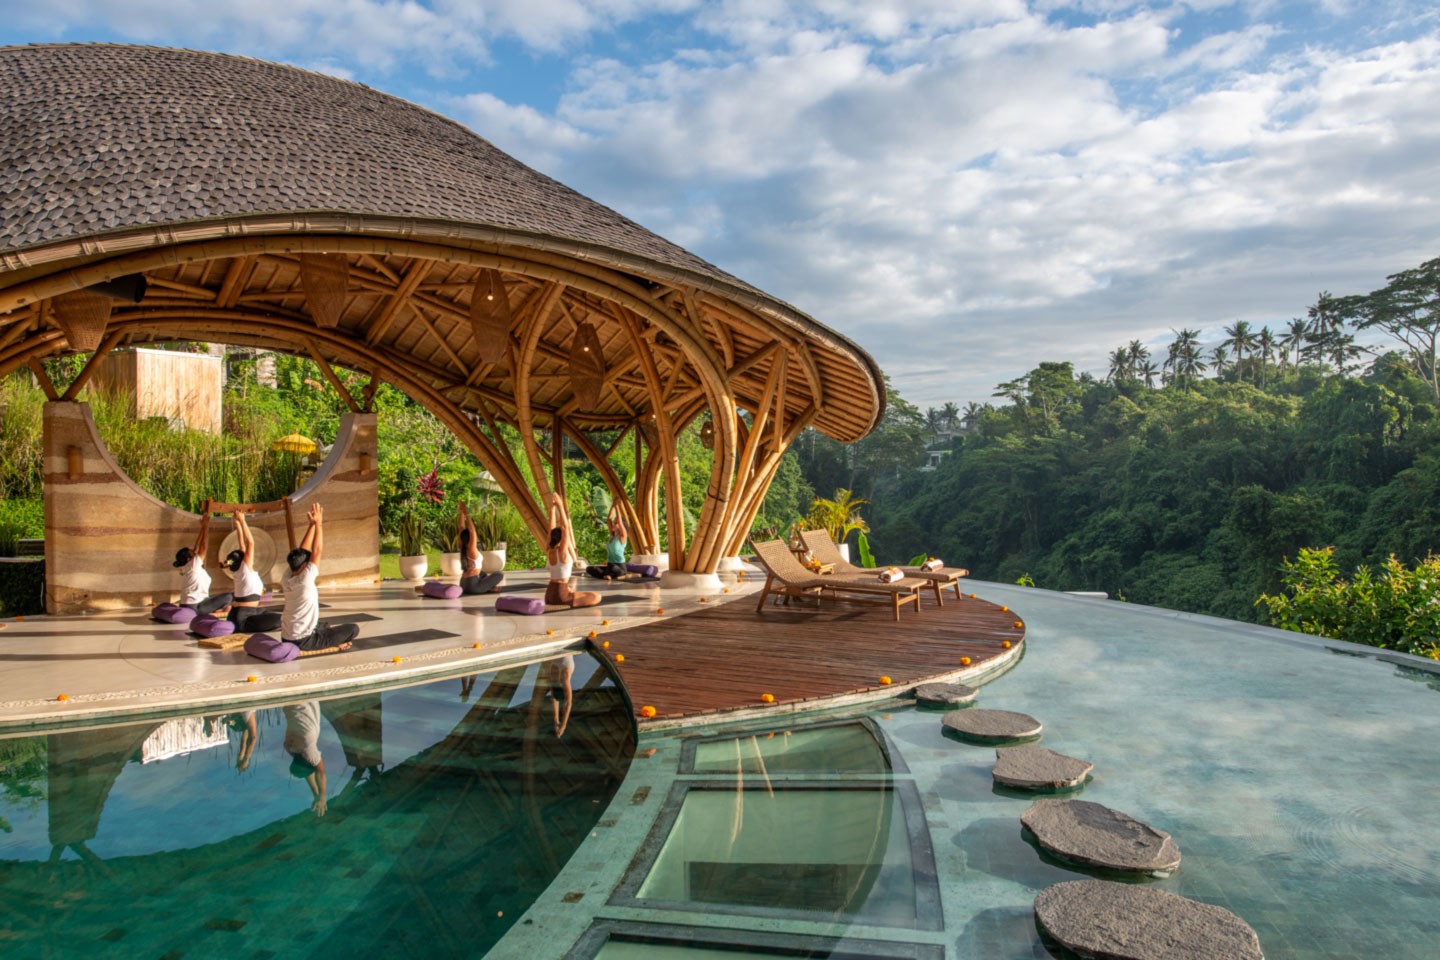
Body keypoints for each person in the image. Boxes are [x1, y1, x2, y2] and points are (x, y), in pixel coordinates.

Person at [281, 502, 358, 652]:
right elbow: (317, 551)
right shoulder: (305, 579)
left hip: (286, 637)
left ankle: (328, 638)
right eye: (308, 562)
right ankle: (334, 642)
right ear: (305, 566)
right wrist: (319, 524)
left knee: (323, 625)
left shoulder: (287, 576)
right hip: (304, 641)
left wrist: (311, 525)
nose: (311, 562)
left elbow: (302, 551)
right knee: (352, 629)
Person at [225, 509, 281, 633]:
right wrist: (243, 521)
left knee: (268, 612)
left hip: (237, 615)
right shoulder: (245, 569)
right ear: (243, 560)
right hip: (245, 619)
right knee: (283, 619)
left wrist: (238, 523)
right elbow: (250, 543)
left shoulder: (238, 570)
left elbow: (242, 545)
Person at [174, 501, 232, 617]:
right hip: (196, 607)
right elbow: (203, 547)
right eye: (192, 553)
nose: (195, 552)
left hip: (187, 606)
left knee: (219, 597)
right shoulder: (193, 565)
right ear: (189, 558)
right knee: (229, 596)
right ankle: (220, 613)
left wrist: (202, 527)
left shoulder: (186, 566)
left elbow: (196, 548)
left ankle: (218, 611)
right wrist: (206, 527)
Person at [544, 492, 600, 608]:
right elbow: (565, 527)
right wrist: (560, 505)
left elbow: (550, 530)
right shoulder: (562, 552)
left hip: (549, 594)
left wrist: (553, 509)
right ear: (561, 540)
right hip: (561, 595)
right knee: (596, 596)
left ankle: (567, 595)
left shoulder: (550, 550)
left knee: (571, 588)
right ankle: (567, 598)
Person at [282, 700, 328, 817]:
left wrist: (322, 796)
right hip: (288, 705)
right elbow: (307, 769)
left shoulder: (308, 748)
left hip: (305, 701)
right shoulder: (289, 746)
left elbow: (321, 772)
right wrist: (315, 794)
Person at [457, 501, 503, 595]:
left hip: (463, 584)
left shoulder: (462, 546)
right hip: (473, 586)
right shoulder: (471, 549)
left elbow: (461, 528)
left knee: (482, 574)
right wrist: (467, 513)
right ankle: (489, 588)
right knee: (499, 574)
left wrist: (461, 512)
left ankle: (489, 588)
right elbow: (472, 531)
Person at [585, 504, 628, 580]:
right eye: (614, 522)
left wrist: (617, 507)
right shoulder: (612, 535)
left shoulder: (622, 536)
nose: (614, 524)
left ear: (621, 526)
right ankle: (607, 575)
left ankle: (606, 574)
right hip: (610, 565)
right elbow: (608, 519)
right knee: (589, 569)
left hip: (619, 567)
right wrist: (613, 505)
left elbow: (620, 522)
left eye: (616, 523)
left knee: (613, 568)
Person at [545, 654, 574, 737]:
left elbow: (554, 699)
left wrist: (557, 722)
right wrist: (562, 725)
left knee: (553, 675)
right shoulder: (565, 678)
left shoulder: (554, 677)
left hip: (558, 662)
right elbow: (568, 703)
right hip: (566, 662)